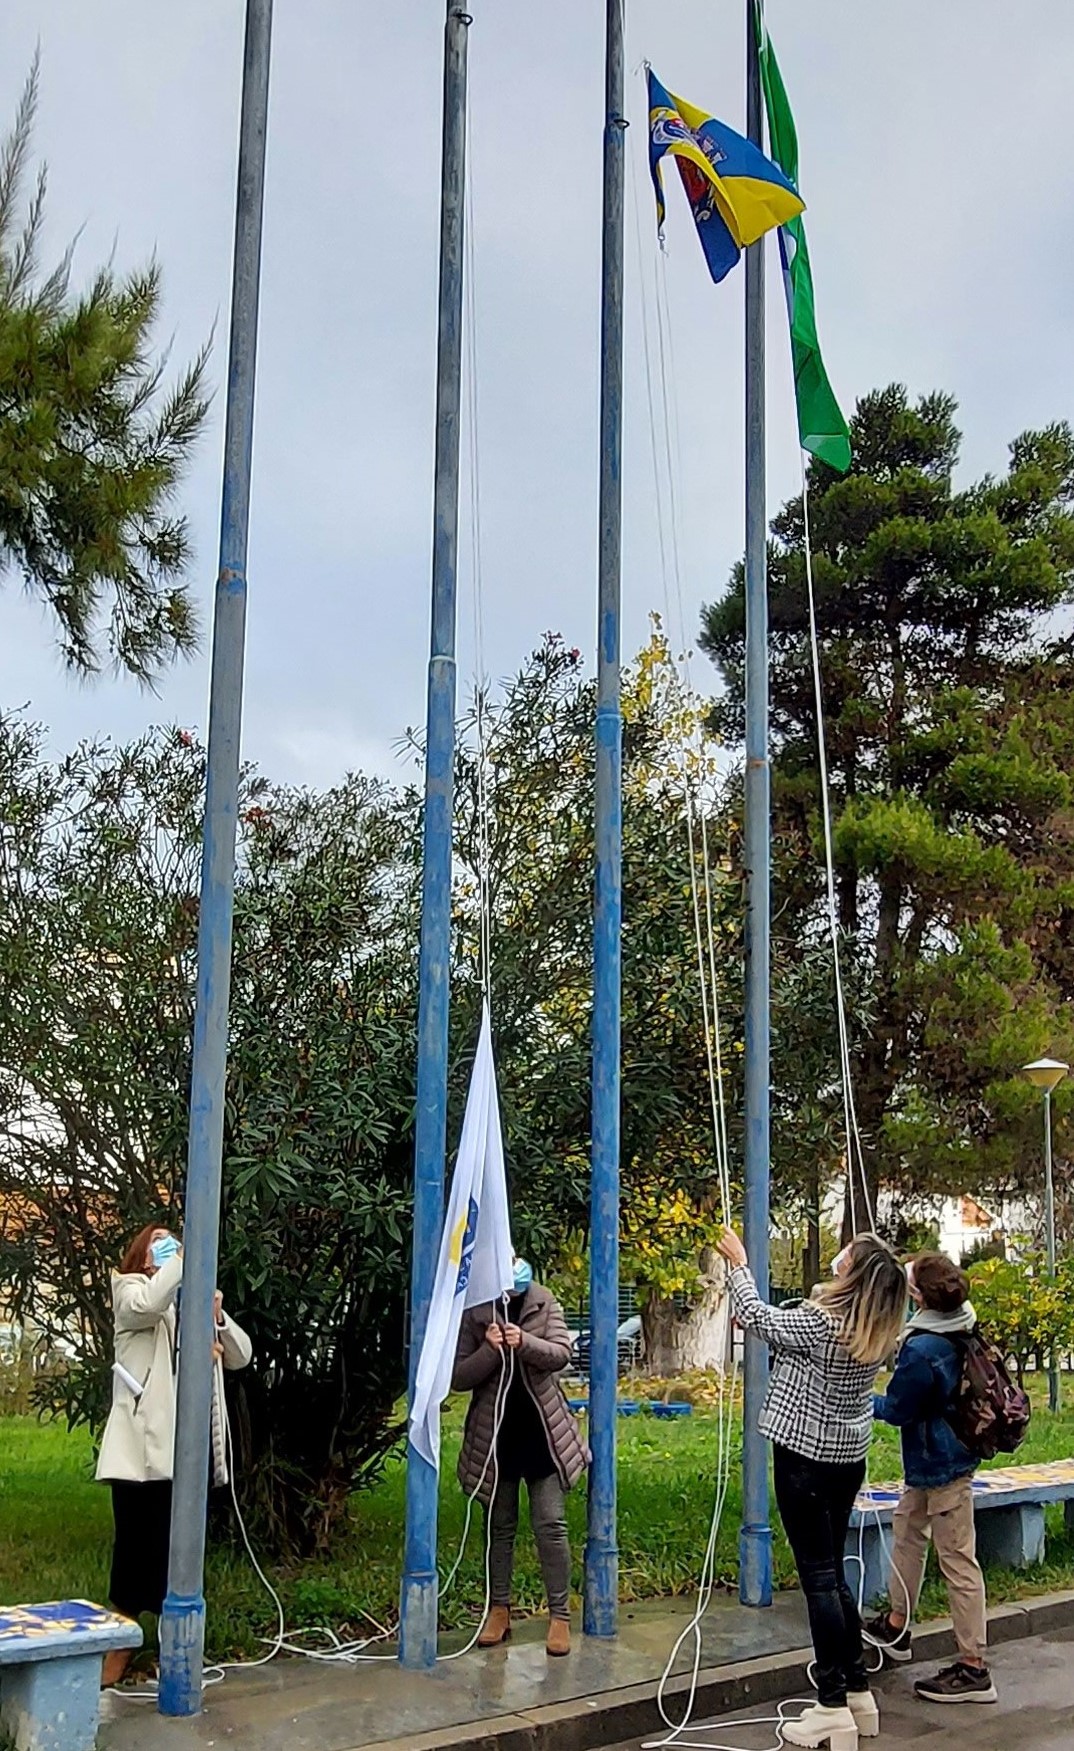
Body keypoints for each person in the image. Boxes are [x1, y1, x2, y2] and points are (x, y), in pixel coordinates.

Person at [718, 1228, 907, 1751]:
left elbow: (757, 1318)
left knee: (819, 1580)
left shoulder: (821, 1323)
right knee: (834, 1576)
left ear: (856, 1276)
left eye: (849, 1256)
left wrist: (739, 1264)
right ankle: (856, 1690)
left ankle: (830, 1706)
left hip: (803, 1460)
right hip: (846, 1460)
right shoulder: (874, 1329)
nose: (839, 1257)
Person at [96, 1225, 252, 1687]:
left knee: (176, 1559)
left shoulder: (188, 1299)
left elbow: (241, 1354)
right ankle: (120, 1650)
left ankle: (175, 1656)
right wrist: (186, 1259)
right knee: (131, 1555)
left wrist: (216, 1315)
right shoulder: (130, 1290)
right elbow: (148, 1305)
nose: (168, 1247)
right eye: (159, 1242)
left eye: (173, 1241)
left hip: (185, 1455)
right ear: (144, 1258)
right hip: (141, 1455)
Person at [868, 1252, 997, 1704]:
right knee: (907, 1533)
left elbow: (899, 1408)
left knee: (958, 1561)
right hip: (932, 1463)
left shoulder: (923, 1349)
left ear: (919, 1298)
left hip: (943, 1465)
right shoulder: (960, 1320)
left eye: (908, 1286)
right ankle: (897, 1626)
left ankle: (973, 1667)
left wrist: (861, 1400)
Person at [451, 1257, 587, 1657]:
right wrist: (491, 1350)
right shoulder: (475, 1311)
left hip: (542, 1432)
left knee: (551, 1524)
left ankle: (560, 1615)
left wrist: (524, 1342)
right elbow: (459, 1376)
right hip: (495, 1436)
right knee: (499, 1526)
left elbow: (562, 1354)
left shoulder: (545, 1302)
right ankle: (499, 1609)